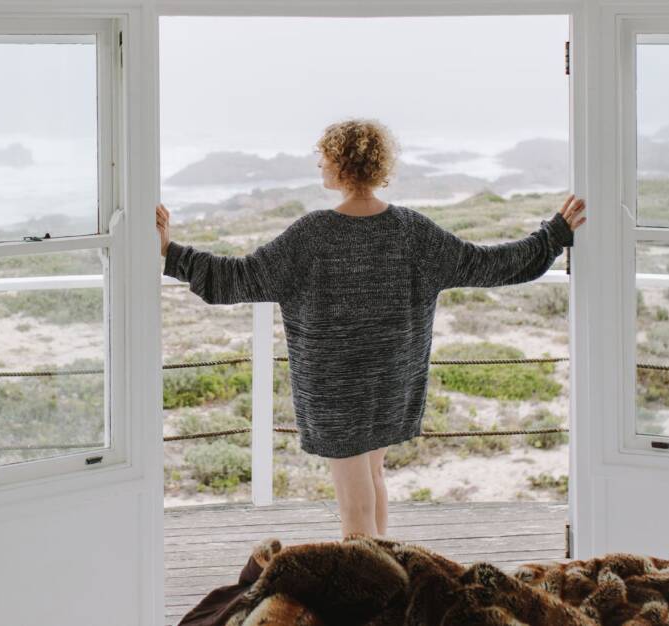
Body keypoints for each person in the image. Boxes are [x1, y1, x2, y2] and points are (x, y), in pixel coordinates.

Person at [156, 118, 586, 540]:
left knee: (352, 501)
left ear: (342, 167)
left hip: (336, 390)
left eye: (324, 159)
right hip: (391, 382)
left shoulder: (313, 234)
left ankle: (366, 589)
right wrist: (552, 236)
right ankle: (386, 572)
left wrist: (171, 253)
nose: (319, 167)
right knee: (374, 473)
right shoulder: (411, 230)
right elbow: (490, 265)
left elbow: (239, 277)